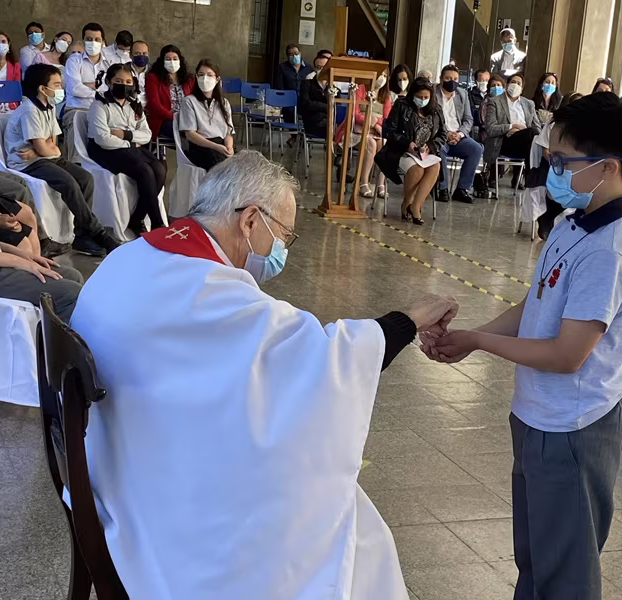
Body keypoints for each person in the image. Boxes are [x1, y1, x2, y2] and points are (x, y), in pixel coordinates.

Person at [69, 150, 458, 600]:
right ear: (251, 219)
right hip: (156, 503)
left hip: (121, 455)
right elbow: (323, 360)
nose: (281, 251)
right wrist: (409, 319)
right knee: (352, 528)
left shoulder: (136, 254)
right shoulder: (207, 290)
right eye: (284, 236)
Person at [421, 92, 622, 600]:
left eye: (563, 162)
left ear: (608, 168)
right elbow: (537, 304)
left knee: (564, 573)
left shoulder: (609, 252)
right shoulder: (571, 223)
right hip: (536, 413)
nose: (553, 171)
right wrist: (472, 336)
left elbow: (567, 356)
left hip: (574, 425)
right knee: (534, 557)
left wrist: (479, 342)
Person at [4, 63, 118, 257]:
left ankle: (81, 235)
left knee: (86, 178)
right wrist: (42, 150)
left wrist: (41, 150)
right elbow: (44, 147)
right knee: (69, 183)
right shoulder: (29, 111)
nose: (60, 89)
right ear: (42, 89)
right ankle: (98, 232)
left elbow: (52, 143)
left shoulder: (48, 107)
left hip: (43, 158)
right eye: (56, 85)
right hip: (27, 163)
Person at [88, 63, 165, 236]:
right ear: (109, 82)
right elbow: (102, 138)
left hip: (128, 146)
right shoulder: (99, 105)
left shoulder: (134, 104)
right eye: (118, 81)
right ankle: (157, 223)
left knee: (160, 168)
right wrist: (130, 143)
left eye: (128, 81)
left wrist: (126, 135)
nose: (124, 85)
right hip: (104, 150)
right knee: (144, 170)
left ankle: (137, 218)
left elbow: (146, 134)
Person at [376, 77, 446, 225]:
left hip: (425, 152)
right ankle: (406, 203)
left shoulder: (436, 109)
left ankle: (416, 206)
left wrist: (431, 146)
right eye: (419, 97)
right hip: (401, 150)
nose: (423, 100)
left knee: (435, 166)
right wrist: (407, 143)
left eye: (426, 97)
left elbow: (442, 134)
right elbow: (390, 131)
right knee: (417, 169)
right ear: (413, 95)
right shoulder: (401, 105)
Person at [522, 91, 584, 240]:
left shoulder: (584, 128)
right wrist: (560, 165)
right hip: (552, 164)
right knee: (562, 182)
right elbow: (546, 151)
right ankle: (546, 217)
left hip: (574, 166)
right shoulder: (554, 125)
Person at [0, 235, 83, 321]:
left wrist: (18, 252)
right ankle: (57, 333)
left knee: (73, 276)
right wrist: (20, 261)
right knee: (71, 293)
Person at [333, 69, 391, 198]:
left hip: (376, 131)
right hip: (356, 130)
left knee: (385, 144)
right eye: (380, 74)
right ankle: (363, 183)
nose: (382, 78)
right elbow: (354, 114)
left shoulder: (386, 95)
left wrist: (376, 124)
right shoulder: (360, 89)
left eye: (385, 75)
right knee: (370, 144)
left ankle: (380, 184)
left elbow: (387, 117)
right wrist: (373, 122)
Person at [63, 23, 112, 162]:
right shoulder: (74, 60)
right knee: (78, 118)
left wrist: (87, 85)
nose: (93, 43)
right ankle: (76, 163)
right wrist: (99, 89)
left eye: (97, 39)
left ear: (103, 42)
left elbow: (112, 89)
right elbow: (75, 89)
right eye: (89, 39)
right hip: (77, 108)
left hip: (103, 110)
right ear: (83, 40)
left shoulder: (110, 64)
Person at [483, 72, 541, 187]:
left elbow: (537, 126)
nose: (515, 85)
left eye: (519, 83)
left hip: (525, 140)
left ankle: (521, 179)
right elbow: (490, 128)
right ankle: (530, 181)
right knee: (532, 136)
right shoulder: (495, 102)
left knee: (532, 138)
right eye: (513, 82)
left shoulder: (529, 104)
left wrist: (522, 130)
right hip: (504, 141)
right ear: (507, 84)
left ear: (522, 88)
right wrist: (511, 126)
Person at [435, 64, 482, 204]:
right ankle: (442, 188)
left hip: (458, 136)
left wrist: (459, 134)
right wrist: (446, 134)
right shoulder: (432, 93)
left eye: (455, 79)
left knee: (476, 148)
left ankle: (462, 189)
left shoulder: (462, 94)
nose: (452, 82)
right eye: (448, 78)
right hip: (439, 136)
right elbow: (431, 119)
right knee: (439, 149)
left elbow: (468, 119)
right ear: (441, 78)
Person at [179, 59, 235, 171]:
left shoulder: (224, 103)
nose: (205, 78)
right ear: (196, 77)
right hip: (201, 147)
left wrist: (229, 147)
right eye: (201, 75)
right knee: (221, 167)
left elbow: (228, 133)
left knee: (241, 165)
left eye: (209, 75)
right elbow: (190, 134)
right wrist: (216, 147)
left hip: (221, 145)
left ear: (217, 79)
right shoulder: (189, 101)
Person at [145, 44, 194, 141]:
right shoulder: (153, 78)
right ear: (162, 61)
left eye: (175, 59)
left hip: (188, 121)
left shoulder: (188, 79)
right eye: (168, 59)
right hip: (164, 121)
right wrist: (176, 118)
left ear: (180, 60)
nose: (172, 62)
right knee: (190, 133)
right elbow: (155, 106)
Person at [274, 43, 312, 124]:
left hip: (303, 99)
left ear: (300, 53)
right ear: (287, 56)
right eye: (291, 54)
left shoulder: (308, 68)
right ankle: (293, 131)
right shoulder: (282, 68)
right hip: (287, 99)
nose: (294, 56)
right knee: (289, 111)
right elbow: (279, 86)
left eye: (296, 53)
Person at [299, 53, 332, 137]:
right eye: (318, 67)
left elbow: (335, 107)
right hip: (312, 122)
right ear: (314, 69)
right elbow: (306, 104)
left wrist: (317, 105)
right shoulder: (306, 84)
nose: (321, 70)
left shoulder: (333, 87)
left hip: (330, 122)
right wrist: (326, 107)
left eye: (324, 67)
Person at [0, 31, 22, 113]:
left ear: (8, 44)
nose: (0, 44)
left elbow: (15, 89)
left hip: (8, 102)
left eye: (3, 41)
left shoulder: (15, 65)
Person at [130, 40, 149, 106]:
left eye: (144, 53)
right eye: (137, 53)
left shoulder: (154, 72)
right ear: (130, 55)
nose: (141, 56)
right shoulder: (123, 70)